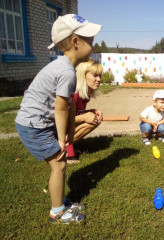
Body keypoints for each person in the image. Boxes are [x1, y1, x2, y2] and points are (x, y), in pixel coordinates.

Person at [15, 14, 102, 223]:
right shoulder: (66, 72)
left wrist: (70, 133)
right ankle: (57, 211)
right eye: (89, 41)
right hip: (33, 126)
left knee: (60, 162)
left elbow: (69, 106)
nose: (93, 44)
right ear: (75, 42)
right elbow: (61, 110)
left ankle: (60, 201)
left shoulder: (66, 68)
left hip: (38, 123)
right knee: (59, 164)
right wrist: (62, 141)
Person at [66, 60, 103, 164]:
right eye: (95, 75)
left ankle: (68, 145)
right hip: (55, 130)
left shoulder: (85, 93)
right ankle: (65, 151)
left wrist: (91, 111)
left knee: (95, 119)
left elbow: (76, 112)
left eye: (100, 76)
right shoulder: (75, 94)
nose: (98, 79)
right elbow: (61, 119)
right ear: (83, 76)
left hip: (66, 127)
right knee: (91, 121)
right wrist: (84, 117)